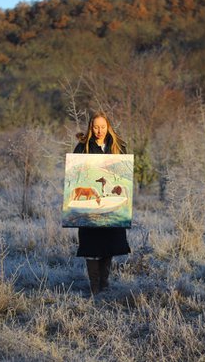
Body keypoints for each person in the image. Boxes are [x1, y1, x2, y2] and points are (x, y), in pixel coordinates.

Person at [73, 111, 131, 295]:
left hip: (112, 207)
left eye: (103, 127)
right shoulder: (83, 147)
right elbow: (75, 173)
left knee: (109, 245)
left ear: (109, 127)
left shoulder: (119, 146)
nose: (99, 131)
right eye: (96, 127)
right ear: (91, 127)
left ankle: (104, 285)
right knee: (91, 246)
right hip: (90, 210)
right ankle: (94, 288)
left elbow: (124, 174)